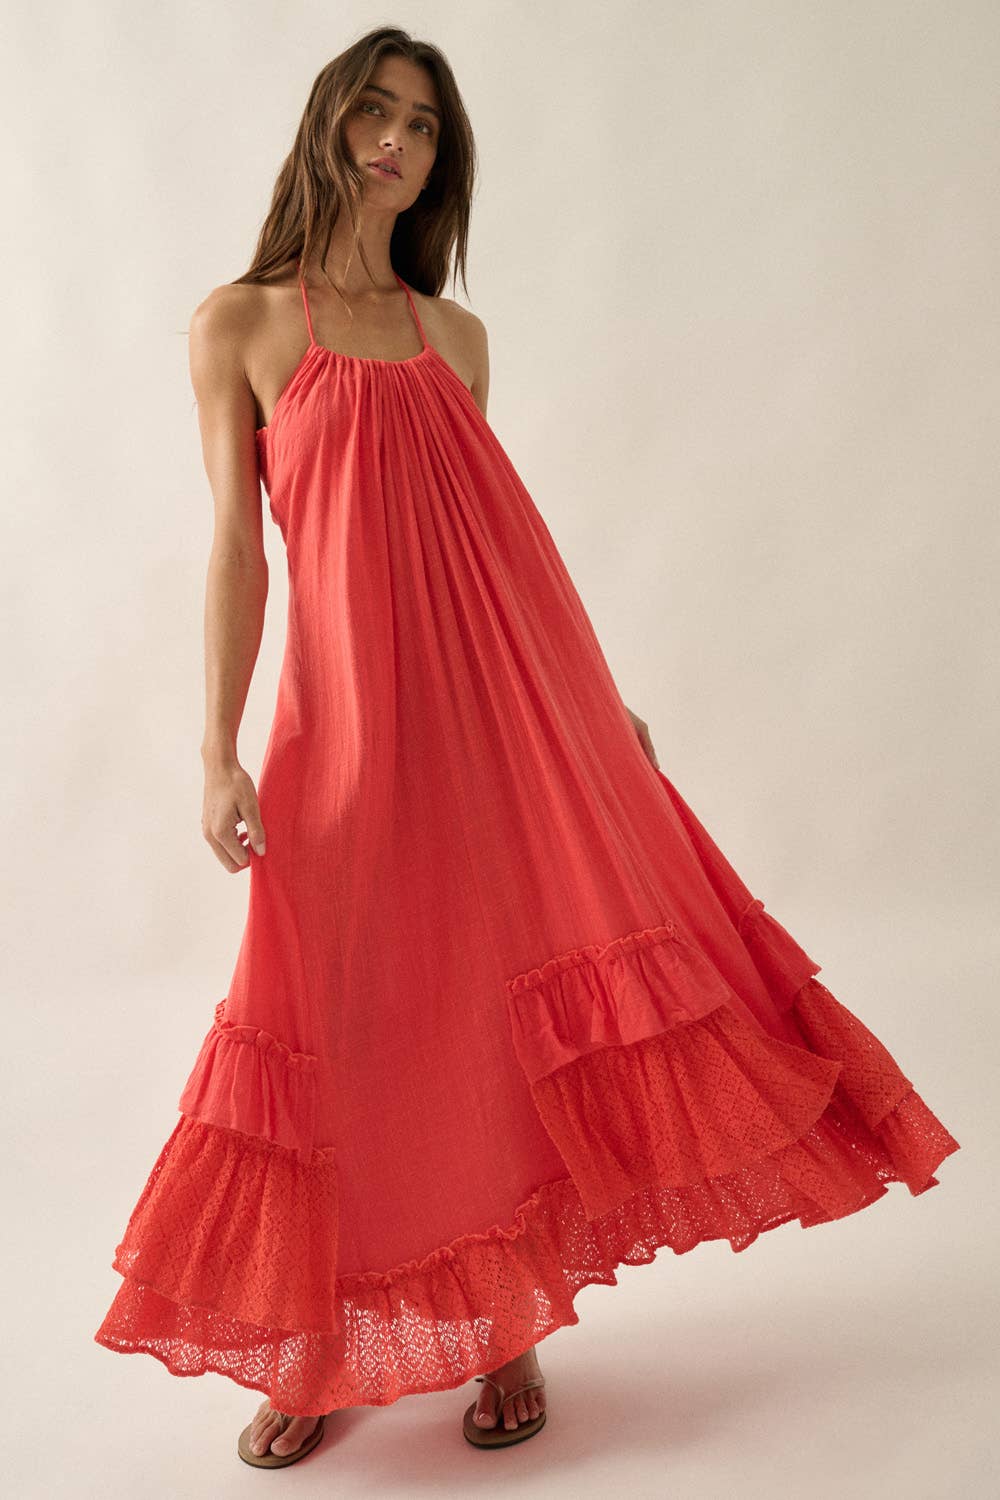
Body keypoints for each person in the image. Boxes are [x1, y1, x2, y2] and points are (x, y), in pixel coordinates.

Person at [94, 26, 960, 1469]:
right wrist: (216, 750)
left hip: (495, 727)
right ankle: (320, 1349)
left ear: (442, 162)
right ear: (326, 126)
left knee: (486, 1014)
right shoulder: (242, 324)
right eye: (373, 112)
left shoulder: (455, 341)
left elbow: (497, 557)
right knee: (335, 1017)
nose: (395, 141)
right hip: (341, 737)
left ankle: (505, 1325)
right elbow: (239, 554)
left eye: (422, 126)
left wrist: (590, 699)